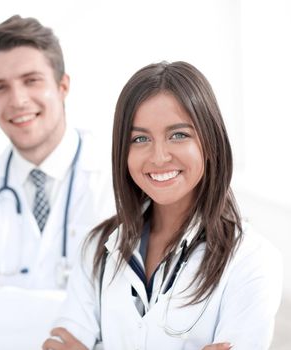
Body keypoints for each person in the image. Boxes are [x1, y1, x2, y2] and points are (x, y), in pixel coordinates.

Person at [42, 61, 283, 350]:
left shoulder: (252, 260)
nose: (158, 157)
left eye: (178, 135)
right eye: (140, 138)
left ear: (210, 142)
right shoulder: (97, 247)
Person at [0, 15, 114, 349]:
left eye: (31, 80)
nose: (17, 100)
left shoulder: (117, 175)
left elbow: (127, 315)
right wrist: (82, 312)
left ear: (63, 85)